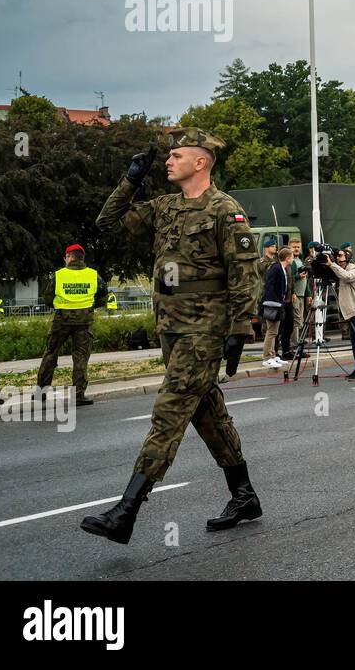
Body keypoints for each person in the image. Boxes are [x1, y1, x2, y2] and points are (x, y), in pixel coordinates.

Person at [82, 128, 262, 544]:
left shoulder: (224, 210)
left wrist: (238, 328)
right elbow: (107, 222)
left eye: (177, 155)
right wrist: (130, 180)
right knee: (206, 412)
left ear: (201, 162)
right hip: (171, 325)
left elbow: (244, 271)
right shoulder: (164, 206)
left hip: (205, 328)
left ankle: (126, 511)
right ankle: (244, 495)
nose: (168, 161)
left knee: (170, 409)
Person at [36, 244, 106, 406]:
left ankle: (41, 393)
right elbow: (103, 295)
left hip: (61, 320)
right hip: (84, 322)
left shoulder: (59, 275)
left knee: (50, 353)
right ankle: (79, 395)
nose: (65, 260)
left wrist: (60, 306)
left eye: (66, 257)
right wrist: (89, 307)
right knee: (81, 357)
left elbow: (47, 297)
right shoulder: (93, 275)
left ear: (70, 257)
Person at [327, 247, 355, 378]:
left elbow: (347, 277)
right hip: (351, 311)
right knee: (354, 341)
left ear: (347, 256)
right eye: (336, 256)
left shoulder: (354, 268)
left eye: (340, 255)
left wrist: (331, 264)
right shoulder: (337, 269)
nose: (338, 258)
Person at [258, 246, 293, 368]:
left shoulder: (283, 268)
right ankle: (267, 357)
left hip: (278, 303)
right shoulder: (276, 267)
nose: (292, 259)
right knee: (271, 331)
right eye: (292, 256)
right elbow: (269, 285)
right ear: (288, 258)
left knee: (275, 331)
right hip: (273, 304)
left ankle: (273, 355)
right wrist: (274, 301)